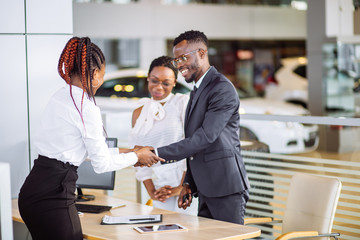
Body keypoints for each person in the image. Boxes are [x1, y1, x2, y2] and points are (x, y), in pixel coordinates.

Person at [18, 37, 163, 240]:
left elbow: (82, 150)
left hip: (33, 191)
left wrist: (132, 152)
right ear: (95, 74)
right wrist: (136, 156)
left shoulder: (60, 96)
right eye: (103, 76)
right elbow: (101, 163)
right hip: (54, 196)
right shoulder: (85, 107)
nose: (101, 81)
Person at [156, 30, 250, 224]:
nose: (179, 65)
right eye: (176, 60)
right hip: (206, 188)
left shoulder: (221, 88)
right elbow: (196, 145)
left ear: (202, 52)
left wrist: (155, 153)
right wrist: (189, 183)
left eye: (183, 57)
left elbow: (205, 137)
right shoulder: (198, 89)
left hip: (225, 188)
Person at [129, 56, 198, 215]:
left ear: (175, 83)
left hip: (185, 183)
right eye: (154, 81)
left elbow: (191, 147)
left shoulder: (182, 103)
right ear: (148, 78)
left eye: (166, 83)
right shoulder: (139, 111)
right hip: (158, 185)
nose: (158, 87)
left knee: (188, 233)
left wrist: (180, 187)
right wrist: (152, 191)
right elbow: (137, 154)